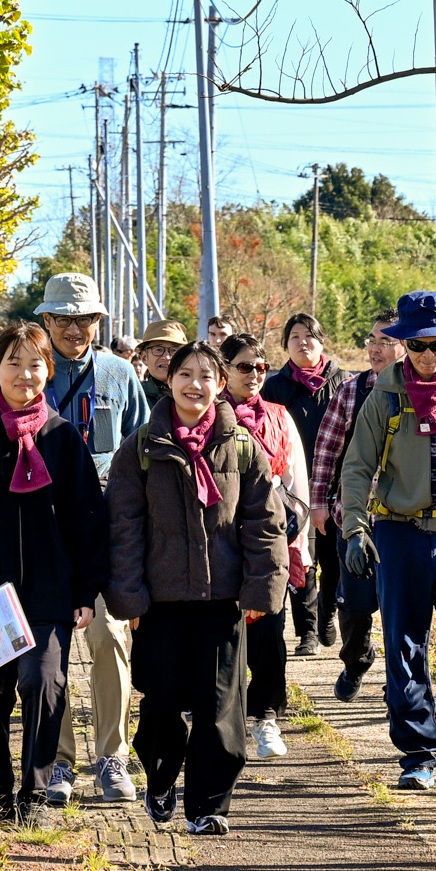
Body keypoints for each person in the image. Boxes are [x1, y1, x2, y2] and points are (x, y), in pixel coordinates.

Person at [107, 341, 288, 835]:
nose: (195, 384)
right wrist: (129, 599)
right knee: (162, 703)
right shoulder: (142, 446)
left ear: (221, 381)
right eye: (185, 374)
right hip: (159, 602)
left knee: (220, 709)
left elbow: (264, 524)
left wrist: (260, 594)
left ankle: (209, 806)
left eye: (206, 375)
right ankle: (161, 781)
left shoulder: (243, 445)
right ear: (169, 380)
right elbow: (124, 527)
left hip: (221, 600)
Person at [0, 320, 107, 828]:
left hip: (51, 594)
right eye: (14, 362)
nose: (25, 374)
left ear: (47, 371)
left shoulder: (63, 437)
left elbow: (86, 522)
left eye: (36, 364)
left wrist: (85, 591)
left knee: (44, 683)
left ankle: (33, 793)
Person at [338, 290, 436, 794]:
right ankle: (417, 756)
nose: (429, 356)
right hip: (399, 535)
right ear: (404, 345)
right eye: (418, 346)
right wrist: (354, 529)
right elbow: (358, 467)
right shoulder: (382, 398)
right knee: (404, 647)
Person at [32, 272, 151, 803]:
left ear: (99, 323)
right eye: (64, 319)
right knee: (47, 653)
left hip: (108, 533)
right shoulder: (30, 373)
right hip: (46, 535)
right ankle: (58, 762)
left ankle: (112, 758)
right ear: (46, 322)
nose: (75, 329)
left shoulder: (121, 374)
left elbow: (144, 453)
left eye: (85, 319)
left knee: (109, 641)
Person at [221, 332, 309, 762]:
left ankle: (267, 715)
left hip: (269, 535)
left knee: (271, 627)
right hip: (219, 536)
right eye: (243, 366)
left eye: (260, 366)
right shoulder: (209, 415)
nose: (254, 375)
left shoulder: (278, 415)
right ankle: (223, 717)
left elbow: (296, 482)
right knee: (226, 629)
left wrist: (300, 541)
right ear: (224, 370)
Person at [309, 307, 401, 700]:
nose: (376, 349)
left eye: (386, 341)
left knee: (401, 611)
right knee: (355, 606)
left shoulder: (420, 390)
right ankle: (356, 661)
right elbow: (327, 449)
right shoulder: (352, 389)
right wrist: (318, 502)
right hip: (354, 516)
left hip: (404, 519)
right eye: (372, 340)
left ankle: (400, 682)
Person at [260, 313, 346, 655]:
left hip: (336, 485)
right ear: (286, 346)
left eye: (309, 335)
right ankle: (308, 632)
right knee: (303, 559)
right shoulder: (275, 387)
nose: (303, 342)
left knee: (335, 558)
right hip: (293, 488)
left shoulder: (342, 382)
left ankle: (328, 609)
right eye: (294, 337)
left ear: (322, 341)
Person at [137, 319, 186, 406]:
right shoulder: (135, 397)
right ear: (145, 358)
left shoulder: (194, 393)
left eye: (174, 350)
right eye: (158, 350)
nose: (166, 357)